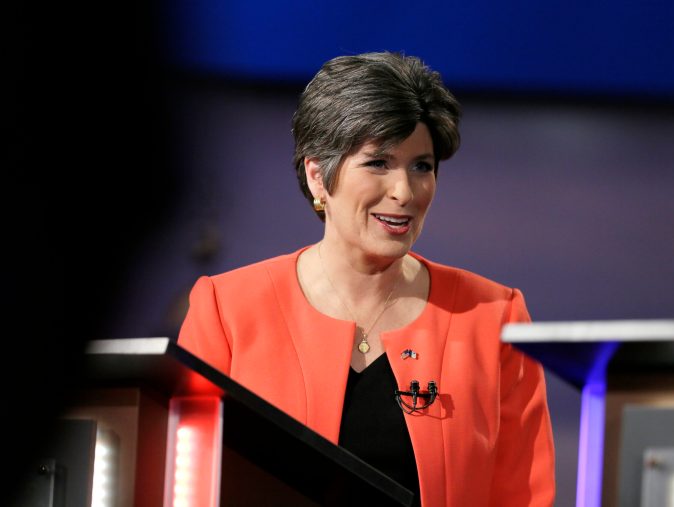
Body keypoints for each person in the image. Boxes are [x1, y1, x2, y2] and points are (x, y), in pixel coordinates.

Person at [178, 51, 555, 506]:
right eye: (378, 163)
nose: (404, 192)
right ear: (319, 176)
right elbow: (187, 486)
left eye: (422, 166)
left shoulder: (494, 317)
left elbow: (521, 495)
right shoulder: (227, 310)